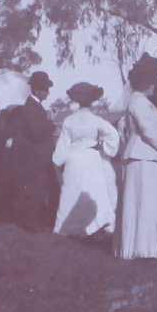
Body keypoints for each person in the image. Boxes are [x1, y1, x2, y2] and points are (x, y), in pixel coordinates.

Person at [114, 62, 157, 260]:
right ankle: (143, 248)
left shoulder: (141, 101)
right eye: (151, 82)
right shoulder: (138, 102)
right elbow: (148, 131)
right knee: (144, 202)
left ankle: (149, 246)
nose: (154, 86)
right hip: (143, 157)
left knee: (146, 202)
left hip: (146, 157)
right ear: (144, 83)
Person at [52, 82, 119, 237]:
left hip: (74, 159)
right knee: (93, 192)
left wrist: (57, 160)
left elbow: (63, 146)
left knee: (72, 192)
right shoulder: (96, 120)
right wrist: (103, 146)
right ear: (92, 100)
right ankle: (95, 224)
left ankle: (67, 227)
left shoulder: (69, 120)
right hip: (91, 159)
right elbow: (113, 134)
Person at [9, 71, 58, 230]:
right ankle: (32, 224)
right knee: (36, 189)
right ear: (37, 90)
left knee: (37, 188)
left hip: (36, 155)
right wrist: (51, 123)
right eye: (45, 89)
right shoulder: (31, 107)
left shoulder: (34, 106)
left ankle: (35, 221)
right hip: (35, 155)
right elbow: (35, 132)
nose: (48, 93)